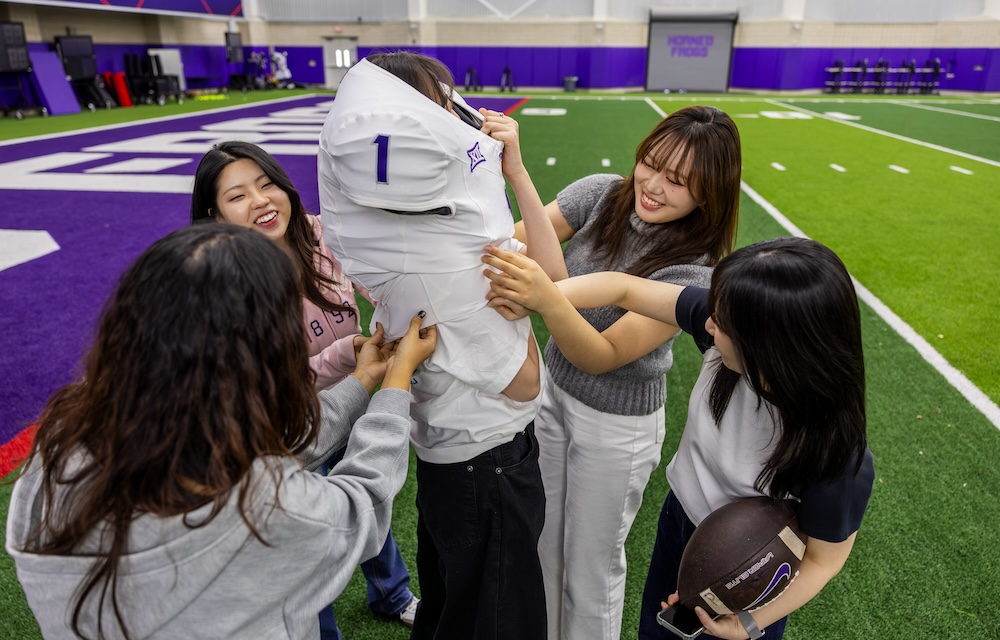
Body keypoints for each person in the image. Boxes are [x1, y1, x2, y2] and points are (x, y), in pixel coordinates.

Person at [5, 223, 438, 639]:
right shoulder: (261, 510)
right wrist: (397, 381)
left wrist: (361, 382)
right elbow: (360, 506)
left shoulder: (60, 448)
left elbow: (265, 444)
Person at [481, 236, 875, 640]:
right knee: (655, 633)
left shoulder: (836, 455)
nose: (707, 322)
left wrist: (749, 624)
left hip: (749, 567)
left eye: (720, 323)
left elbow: (824, 561)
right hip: (681, 523)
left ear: (770, 347)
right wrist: (545, 297)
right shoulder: (731, 333)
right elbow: (627, 288)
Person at [318, 51, 566, 640]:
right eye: (443, 99)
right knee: (497, 617)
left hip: (449, 453)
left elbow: (550, 279)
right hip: (488, 459)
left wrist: (515, 171)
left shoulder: (411, 229)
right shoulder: (448, 254)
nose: (458, 113)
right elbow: (526, 380)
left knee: (451, 606)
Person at [501, 105, 742, 640]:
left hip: (616, 426)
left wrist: (545, 297)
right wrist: (516, 171)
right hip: (553, 396)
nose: (653, 186)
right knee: (542, 545)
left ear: (710, 193)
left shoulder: (696, 267)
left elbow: (603, 352)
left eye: (678, 181)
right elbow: (519, 242)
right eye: (650, 165)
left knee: (590, 571)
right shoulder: (604, 191)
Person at [190, 141, 420, 636]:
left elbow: (374, 280)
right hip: (294, 427)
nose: (260, 200)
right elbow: (279, 378)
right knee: (308, 537)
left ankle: (393, 592)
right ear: (214, 214)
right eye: (238, 196)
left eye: (267, 183)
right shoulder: (225, 286)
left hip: (357, 393)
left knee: (367, 497)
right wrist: (355, 351)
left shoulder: (320, 232)